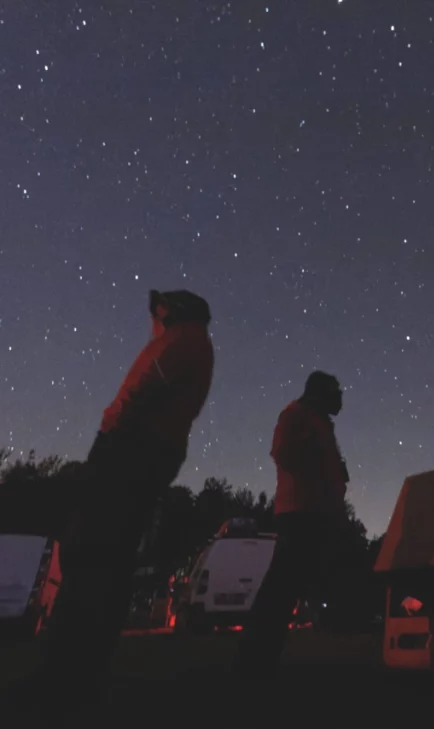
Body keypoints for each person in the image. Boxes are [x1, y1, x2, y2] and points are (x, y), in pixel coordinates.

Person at [40, 289, 214, 705]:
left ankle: (65, 676)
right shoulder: (189, 341)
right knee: (106, 555)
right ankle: (80, 672)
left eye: (163, 310)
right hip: (144, 446)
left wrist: (118, 433)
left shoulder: (184, 340)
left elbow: (150, 387)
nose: (157, 316)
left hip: (131, 446)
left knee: (93, 552)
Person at [234, 371, 350, 677]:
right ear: (320, 392)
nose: (341, 397)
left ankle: (260, 656)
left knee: (287, 587)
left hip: (315, 512)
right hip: (301, 513)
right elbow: (283, 452)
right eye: (336, 391)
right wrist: (321, 473)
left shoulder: (318, 421)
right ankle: (254, 659)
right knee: (282, 588)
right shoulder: (297, 414)